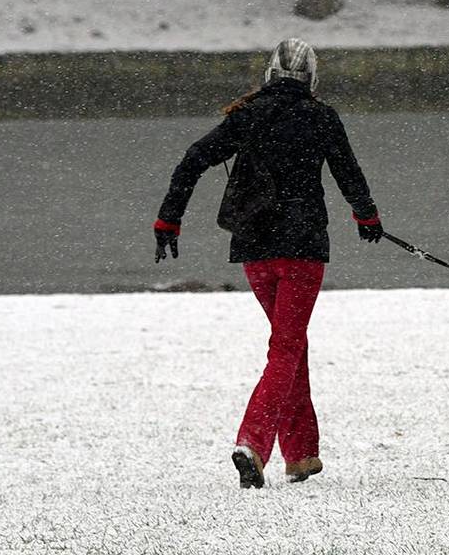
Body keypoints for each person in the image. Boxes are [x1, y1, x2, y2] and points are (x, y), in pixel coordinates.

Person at [152, 37, 384, 489]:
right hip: (302, 248)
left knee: (290, 342)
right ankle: (253, 444)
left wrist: (169, 220)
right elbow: (347, 172)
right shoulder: (321, 116)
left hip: (255, 249)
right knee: (287, 346)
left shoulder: (247, 114)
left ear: (270, 74)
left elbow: (192, 159)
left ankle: (301, 454)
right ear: (311, 78)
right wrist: (367, 216)